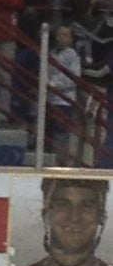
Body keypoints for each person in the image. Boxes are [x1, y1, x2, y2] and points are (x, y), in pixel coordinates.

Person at [12, 178, 113, 266]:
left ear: (101, 217)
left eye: (87, 206)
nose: (74, 217)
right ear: (46, 215)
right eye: (63, 205)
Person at [47, 25, 81, 164]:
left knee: (62, 133)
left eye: (66, 35)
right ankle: (51, 160)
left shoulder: (72, 55)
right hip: (50, 99)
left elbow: (73, 78)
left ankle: (61, 163)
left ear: (71, 38)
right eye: (60, 34)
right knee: (51, 132)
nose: (62, 37)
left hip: (64, 100)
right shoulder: (52, 53)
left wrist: (54, 84)